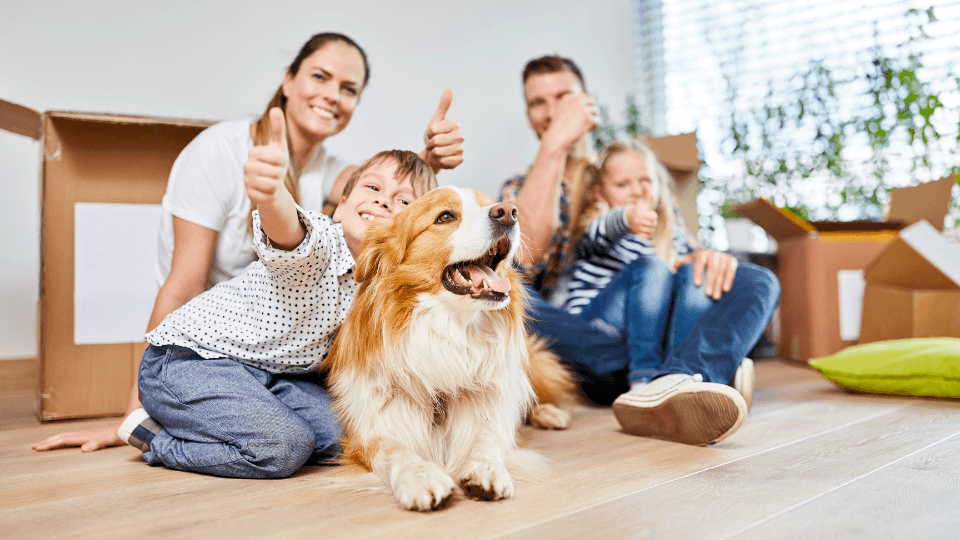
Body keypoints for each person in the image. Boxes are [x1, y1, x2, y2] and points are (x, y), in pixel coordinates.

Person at [33, 32, 463, 453]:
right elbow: (185, 285)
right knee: (287, 444)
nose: (333, 94)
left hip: (274, 359)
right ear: (288, 81)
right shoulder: (219, 153)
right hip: (211, 345)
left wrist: (431, 161)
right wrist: (137, 413)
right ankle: (183, 434)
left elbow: (387, 200)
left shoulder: (330, 171)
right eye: (320, 77)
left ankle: (262, 417)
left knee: (351, 432)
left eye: (348, 88)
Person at [499, 55, 780, 446]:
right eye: (537, 103)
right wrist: (554, 146)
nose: (550, 112)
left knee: (757, 279)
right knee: (509, 294)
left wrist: (707, 258)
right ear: (529, 115)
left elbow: (679, 252)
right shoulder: (520, 186)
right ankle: (698, 370)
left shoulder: (632, 173)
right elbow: (523, 258)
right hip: (587, 344)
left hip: (659, 321)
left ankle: (676, 380)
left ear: (587, 102)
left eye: (562, 97)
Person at [117, 141, 437, 478]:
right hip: (189, 360)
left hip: (272, 376)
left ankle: (244, 419)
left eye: (403, 201)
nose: (383, 200)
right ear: (340, 207)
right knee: (283, 447)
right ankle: (156, 438)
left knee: (351, 434)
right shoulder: (322, 247)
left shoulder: (388, 284)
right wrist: (272, 195)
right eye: (372, 187)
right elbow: (288, 231)